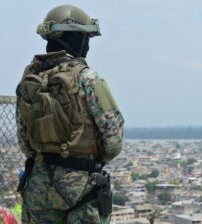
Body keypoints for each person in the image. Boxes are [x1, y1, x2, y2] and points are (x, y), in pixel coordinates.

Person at [15, 5, 125, 223]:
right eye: (85, 39)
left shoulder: (29, 81)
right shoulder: (89, 79)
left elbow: (24, 142)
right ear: (76, 38)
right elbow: (113, 141)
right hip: (82, 186)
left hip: (39, 186)